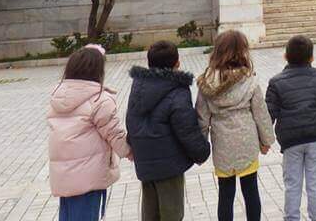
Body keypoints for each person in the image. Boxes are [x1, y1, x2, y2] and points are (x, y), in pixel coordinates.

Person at [126, 41, 210, 221]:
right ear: (177, 63)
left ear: (149, 63)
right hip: (169, 166)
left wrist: (133, 145)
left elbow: (131, 120)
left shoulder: (138, 87)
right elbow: (187, 129)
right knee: (172, 214)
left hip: (146, 164)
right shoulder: (178, 90)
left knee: (150, 215)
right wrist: (201, 153)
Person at [266, 35, 316, 221]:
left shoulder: (276, 82)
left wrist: (264, 139)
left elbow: (269, 113)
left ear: (285, 56)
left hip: (290, 141)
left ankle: (292, 218)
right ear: (311, 57)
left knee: (292, 184)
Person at [196, 30, 275, 221]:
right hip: (247, 142)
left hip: (222, 145)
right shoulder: (250, 80)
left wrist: (199, 149)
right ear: (243, 52)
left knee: (225, 194)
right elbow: (261, 113)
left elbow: (202, 118)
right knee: (251, 190)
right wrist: (266, 141)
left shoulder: (206, 82)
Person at [47, 45, 132, 221]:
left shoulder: (58, 96)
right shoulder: (98, 99)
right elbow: (114, 133)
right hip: (88, 176)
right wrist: (131, 152)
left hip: (65, 177)